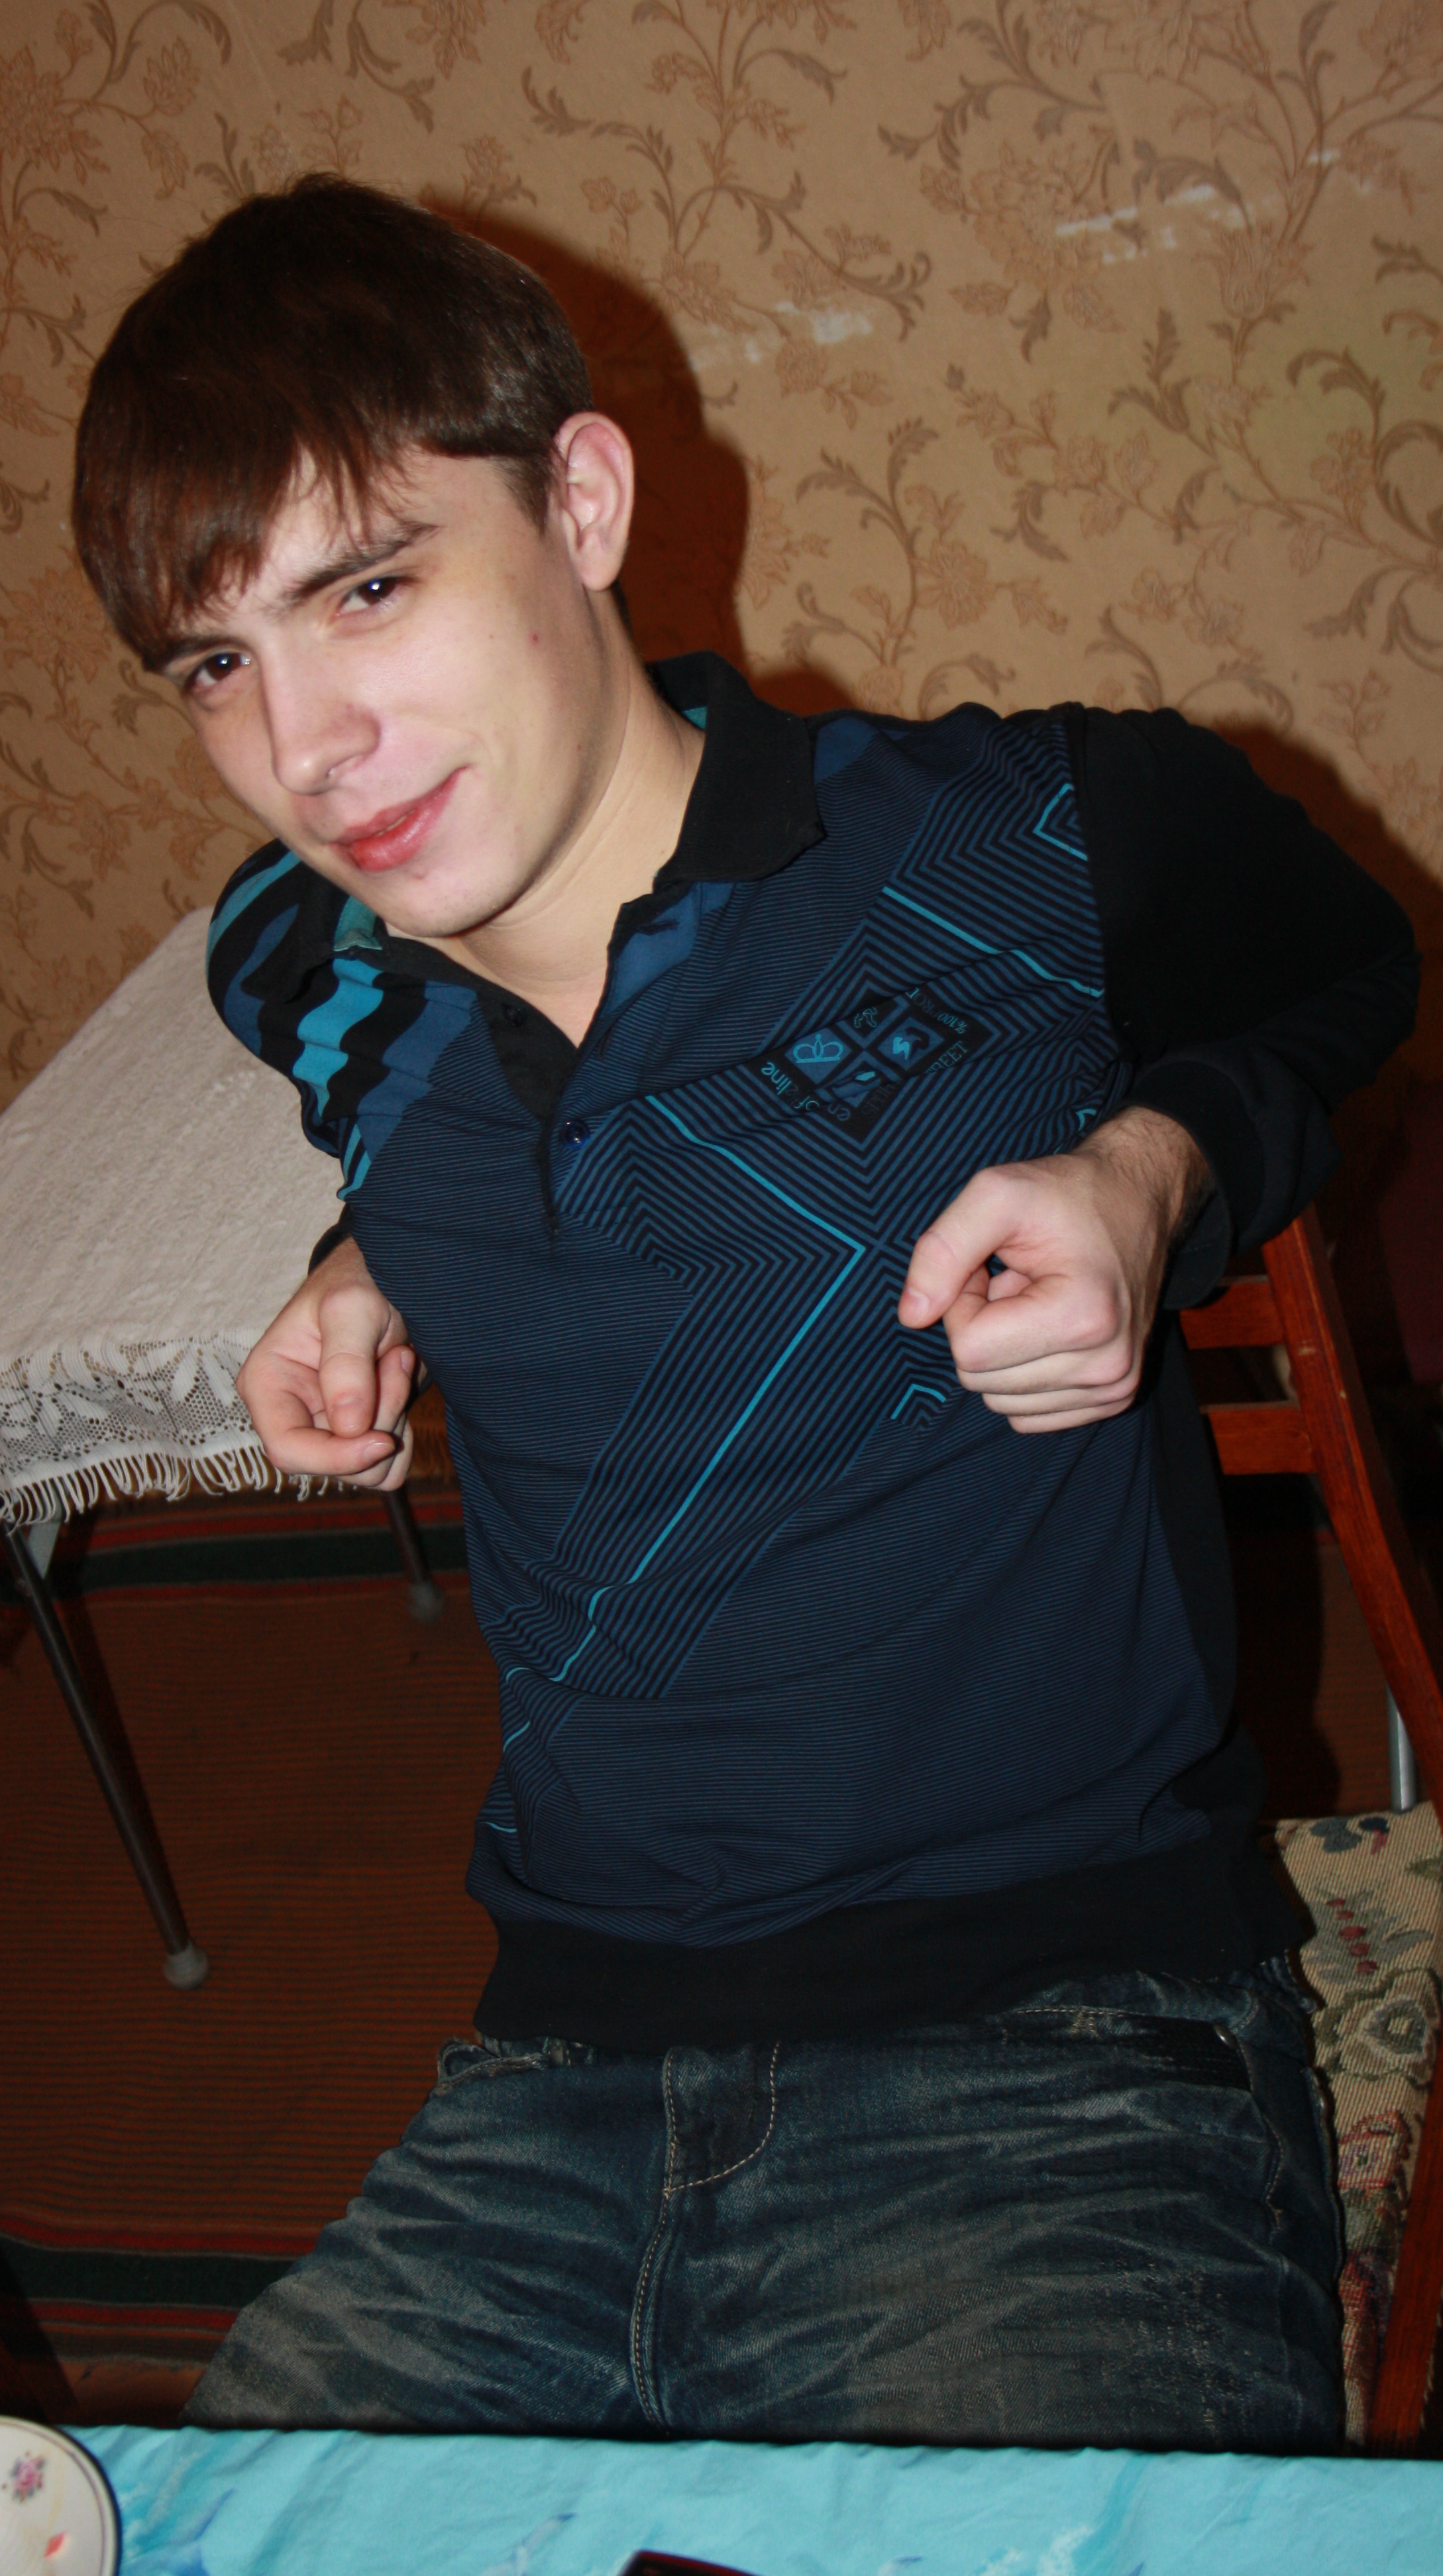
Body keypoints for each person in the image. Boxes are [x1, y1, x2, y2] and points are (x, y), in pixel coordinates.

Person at [72, 176, 1419, 2451]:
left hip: (1062, 2044)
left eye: (370, 588)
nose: (307, 749)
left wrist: (1150, 1169)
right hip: (549, 2073)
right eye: (217, 665)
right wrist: (366, 1254)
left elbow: (1347, 973)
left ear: (583, 502)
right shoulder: (296, 961)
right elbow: (401, 1076)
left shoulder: (1035, 841)